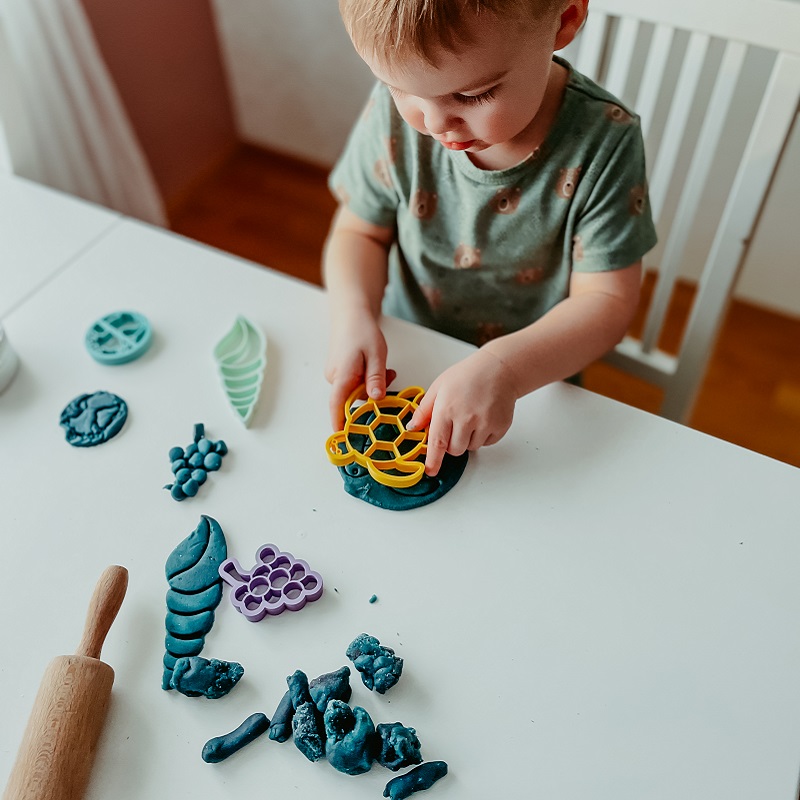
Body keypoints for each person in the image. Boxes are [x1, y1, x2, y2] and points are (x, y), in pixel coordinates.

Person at [323, 0, 657, 476]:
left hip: (531, 383)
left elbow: (606, 302)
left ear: (564, 19)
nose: (434, 123)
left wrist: (506, 369)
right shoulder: (399, 114)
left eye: (473, 95)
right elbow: (358, 231)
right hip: (408, 358)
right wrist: (352, 313)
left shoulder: (605, 141)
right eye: (402, 89)